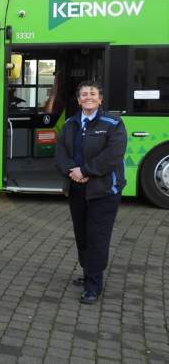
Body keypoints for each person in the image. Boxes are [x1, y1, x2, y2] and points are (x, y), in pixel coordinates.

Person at [55, 80, 127, 305]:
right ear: (78, 100)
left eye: (92, 94)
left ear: (100, 99)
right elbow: (60, 152)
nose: (88, 97)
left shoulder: (113, 123)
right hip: (77, 188)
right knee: (82, 235)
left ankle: (93, 284)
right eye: (84, 94)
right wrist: (72, 171)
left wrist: (85, 171)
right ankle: (88, 272)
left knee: (97, 237)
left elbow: (113, 155)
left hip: (103, 191)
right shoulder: (70, 123)